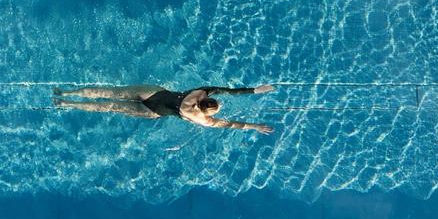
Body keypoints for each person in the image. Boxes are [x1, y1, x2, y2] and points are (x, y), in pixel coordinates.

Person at [53, 84, 276, 134]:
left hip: (153, 94)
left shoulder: (200, 93)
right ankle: (65, 104)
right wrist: (254, 126)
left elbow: (228, 91)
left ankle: (64, 93)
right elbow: (230, 124)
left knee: (110, 93)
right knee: (108, 107)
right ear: (208, 111)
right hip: (153, 111)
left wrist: (254, 90)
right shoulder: (202, 120)